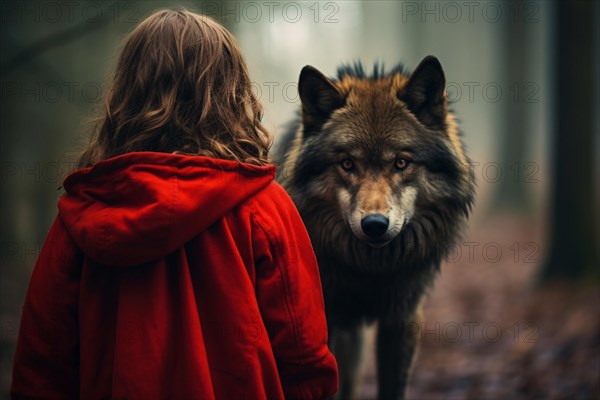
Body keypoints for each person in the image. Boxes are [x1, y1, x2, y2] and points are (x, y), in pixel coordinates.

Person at [11, 9, 338, 399]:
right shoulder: (265, 208)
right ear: (232, 92)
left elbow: (42, 366)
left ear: (127, 93)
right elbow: (303, 356)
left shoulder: (81, 215)